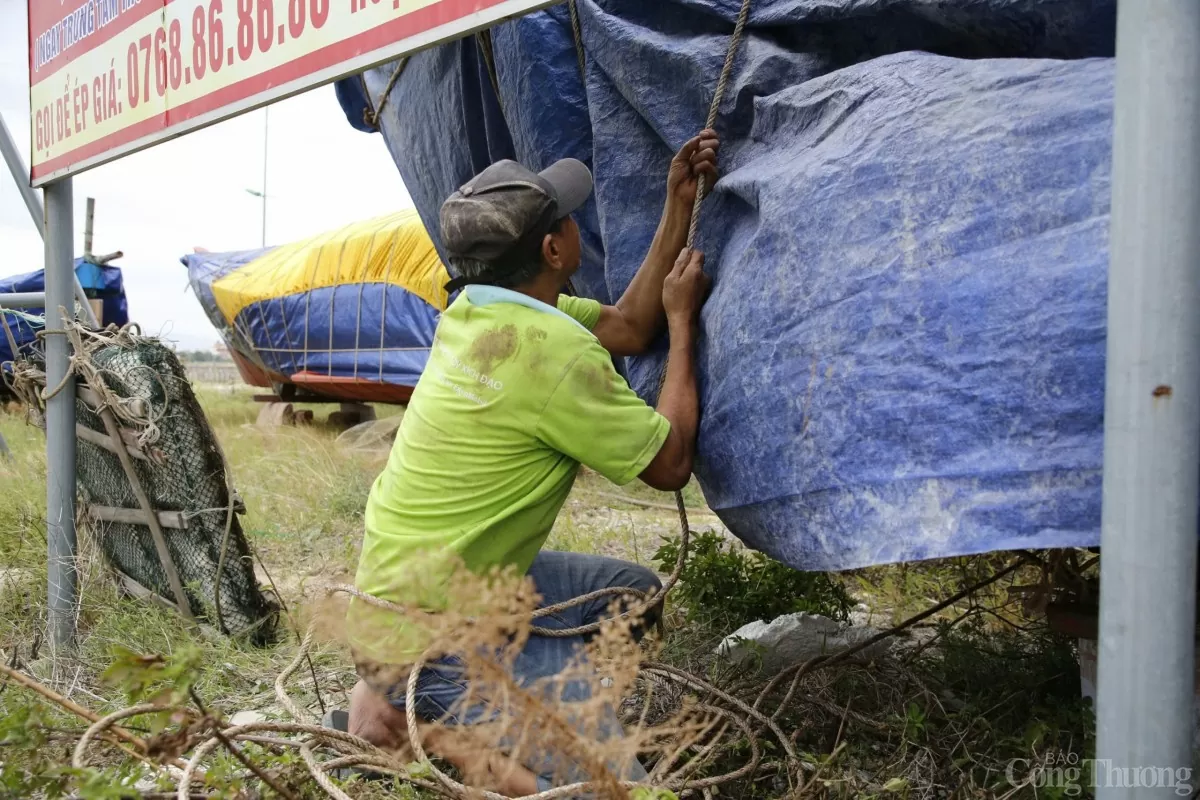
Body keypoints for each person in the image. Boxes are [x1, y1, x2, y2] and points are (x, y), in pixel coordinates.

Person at [343, 129, 719, 794]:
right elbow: (670, 463)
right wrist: (683, 323)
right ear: (554, 249)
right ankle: (447, 733)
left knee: (629, 594)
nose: (576, 226)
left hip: (399, 595)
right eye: (567, 220)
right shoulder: (553, 351)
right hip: (439, 637)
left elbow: (631, 327)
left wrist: (677, 204)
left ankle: (499, 712)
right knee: (620, 795)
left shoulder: (476, 313)